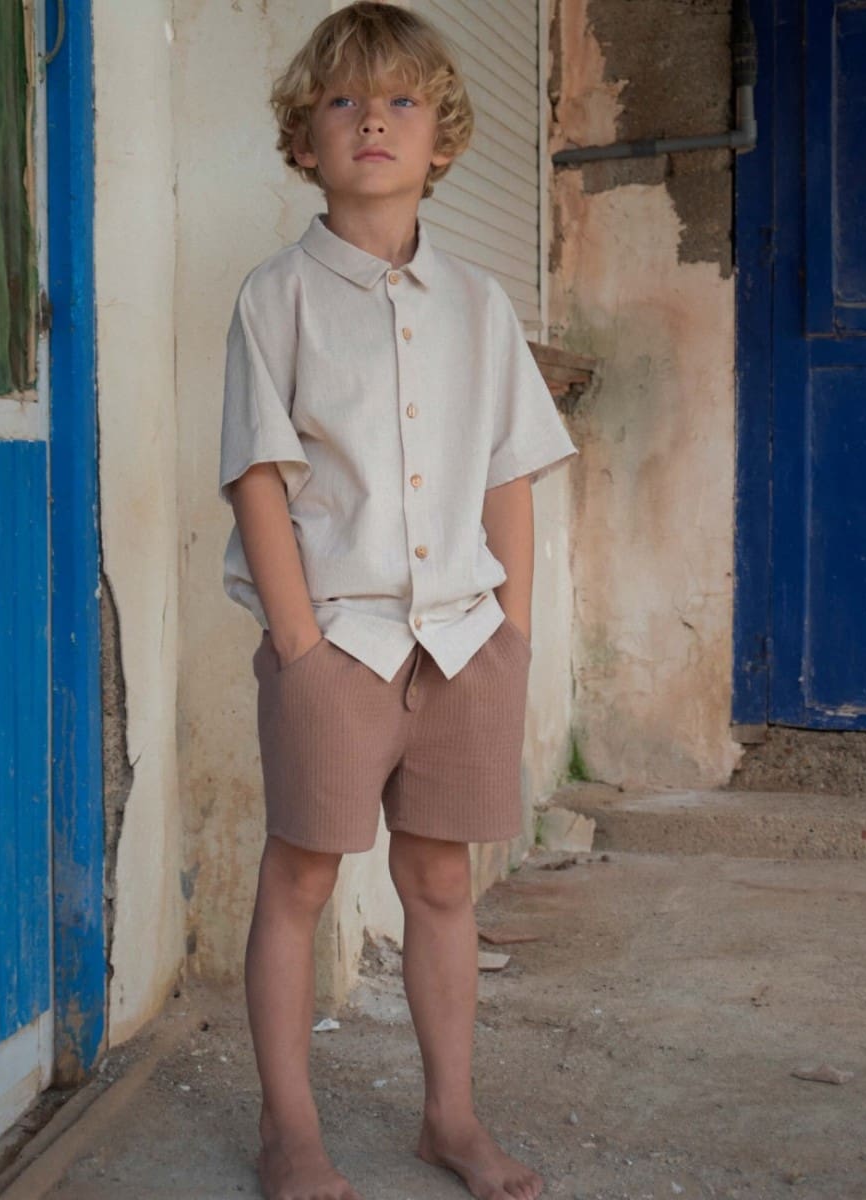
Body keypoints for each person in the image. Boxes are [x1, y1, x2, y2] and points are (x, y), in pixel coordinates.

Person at [218, 5, 576, 1198]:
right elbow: (259, 476)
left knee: (438, 881)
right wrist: (300, 645)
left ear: (441, 139)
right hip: (341, 643)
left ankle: (452, 1119)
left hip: (465, 642)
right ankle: (289, 1130)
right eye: (343, 101)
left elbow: (510, 470)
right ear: (305, 141)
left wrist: (514, 634)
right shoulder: (278, 298)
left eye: (402, 101)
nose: (373, 117)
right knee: (303, 879)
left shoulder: (478, 306)